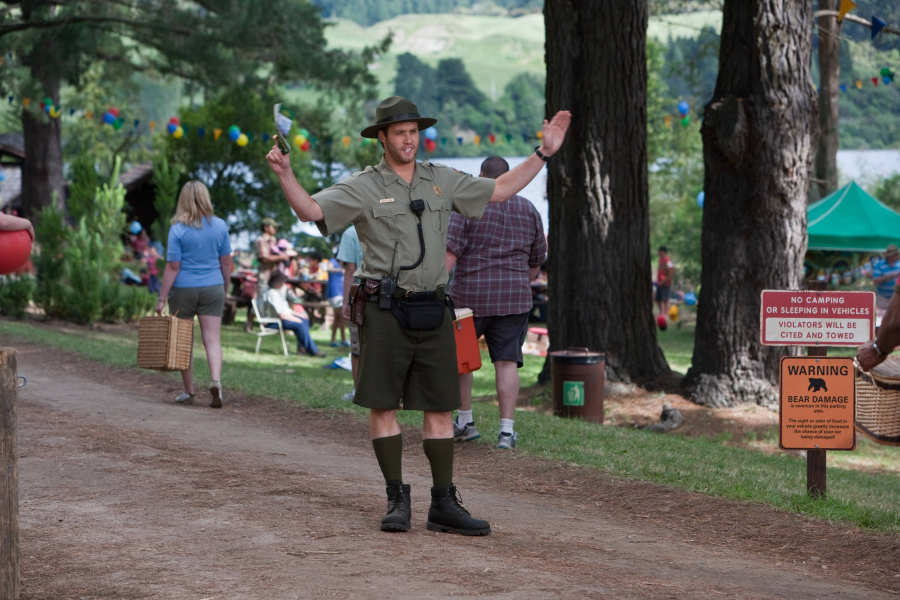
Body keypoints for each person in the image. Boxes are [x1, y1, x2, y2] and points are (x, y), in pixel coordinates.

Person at [266, 94, 571, 536]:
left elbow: (501, 189)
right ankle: (396, 498)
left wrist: (543, 152)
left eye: (413, 132)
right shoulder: (363, 185)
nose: (408, 140)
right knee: (383, 405)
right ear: (382, 137)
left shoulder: (442, 179)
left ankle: (443, 502)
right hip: (384, 309)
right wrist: (285, 174)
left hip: (433, 309)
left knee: (442, 407)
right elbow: (311, 211)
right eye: (399, 133)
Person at [445, 156, 547, 450]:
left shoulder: (467, 204)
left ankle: (466, 422)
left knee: (463, 361)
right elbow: (536, 259)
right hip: (514, 299)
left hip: (468, 297)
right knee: (506, 363)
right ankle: (506, 432)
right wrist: (519, 283)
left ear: (481, 176)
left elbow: (450, 252)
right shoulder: (529, 209)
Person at [155, 181, 233, 408]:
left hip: (183, 289)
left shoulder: (177, 229)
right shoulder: (220, 226)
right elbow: (226, 264)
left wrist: (161, 299)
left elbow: (173, 267)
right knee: (212, 339)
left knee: (184, 341)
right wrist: (224, 289)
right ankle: (215, 381)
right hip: (213, 286)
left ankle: (189, 392)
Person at [263, 270, 326, 357]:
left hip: (279, 319)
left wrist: (298, 315)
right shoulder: (272, 294)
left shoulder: (277, 292)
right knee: (299, 324)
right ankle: (313, 350)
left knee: (304, 319)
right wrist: (296, 319)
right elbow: (281, 315)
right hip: (271, 322)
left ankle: (302, 348)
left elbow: (285, 310)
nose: (283, 283)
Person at [337, 225, 364, 401]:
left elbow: (350, 270)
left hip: (361, 294)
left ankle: (358, 392)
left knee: (358, 347)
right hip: (390, 293)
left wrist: (347, 302)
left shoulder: (351, 232)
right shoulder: (389, 222)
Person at [246, 217, 286, 331]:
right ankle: (249, 323)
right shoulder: (260, 240)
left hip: (274, 276)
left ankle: (271, 325)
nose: (275, 229)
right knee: (261, 300)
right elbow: (264, 258)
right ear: (266, 227)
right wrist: (282, 257)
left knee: (274, 300)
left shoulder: (274, 240)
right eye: (273, 227)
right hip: (265, 275)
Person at [326, 255, 348, 347]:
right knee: (342, 317)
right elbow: (328, 268)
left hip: (338, 294)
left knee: (337, 318)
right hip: (335, 295)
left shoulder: (340, 265)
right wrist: (340, 270)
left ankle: (333, 340)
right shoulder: (333, 261)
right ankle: (343, 339)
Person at [872, 244, 900, 311]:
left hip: (896, 298)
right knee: (882, 315)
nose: (896, 256)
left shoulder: (899, 264)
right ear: (889, 256)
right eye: (894, 255)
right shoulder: (880, 265)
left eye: (897, 254)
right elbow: (875, 280)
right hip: (883, 298)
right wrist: (888, 277)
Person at [656, 246, 675, 319]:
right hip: (659, 282)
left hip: (666, 283)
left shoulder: (668, 261)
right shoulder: (660, 260)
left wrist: (666, 280)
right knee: (658, 299)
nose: (658, 253)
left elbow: (671, 271)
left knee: (665, 299)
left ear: (663, 252)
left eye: (659, 251)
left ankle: (666, 314)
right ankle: (661, 312)